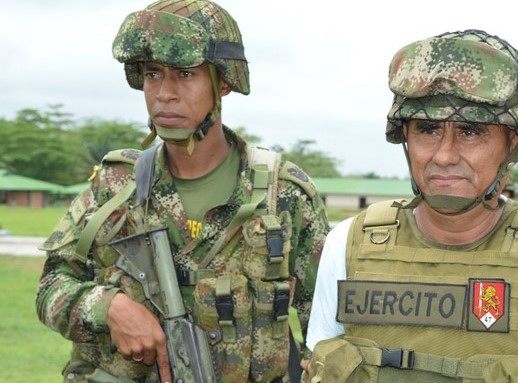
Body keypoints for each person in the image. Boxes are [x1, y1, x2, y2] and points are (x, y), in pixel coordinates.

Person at [303, 29, 518, 383]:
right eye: (427, 129)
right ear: (406, 136)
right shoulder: (349, 243)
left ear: (511, 143)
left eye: (470, 131)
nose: (445, 155)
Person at [35, 1, 329, 382]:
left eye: (185, 74)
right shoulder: (114, 186)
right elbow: (51, 287)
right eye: (153, 74)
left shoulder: (284, 195)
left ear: (224, 81)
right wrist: (109, 307)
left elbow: (326, 330)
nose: (164, 94)